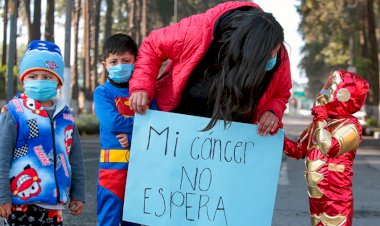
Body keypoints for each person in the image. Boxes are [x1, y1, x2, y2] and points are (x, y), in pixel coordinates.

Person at [129, 1, 292, 135]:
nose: (273, 58)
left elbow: (281, 93)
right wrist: (142, 86)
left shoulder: (277, 52)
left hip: (231, 139)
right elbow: (153, 45)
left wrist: (271, 111)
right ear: (247, 51)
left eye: (276, 52)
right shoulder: (198, 31)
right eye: (268, 55)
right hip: (178, 126)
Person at [0, 40, 85, 225]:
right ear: (23, 79)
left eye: (47, 77)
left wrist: (78, 194)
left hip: (54, 208)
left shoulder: (66, 116)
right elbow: (2, 156)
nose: (39, 81)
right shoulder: (14, 112)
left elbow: (75, 157)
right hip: (19, 205)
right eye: (33, 76)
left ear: (58, 82)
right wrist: (2, 196)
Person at [283, 70, 369, 226]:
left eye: (330, 89)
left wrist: (321, 118)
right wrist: (276, 137)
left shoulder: (352, 126)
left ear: (344, 95)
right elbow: (298, 150)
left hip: (337, 200)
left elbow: (329, 147)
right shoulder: (321, 122)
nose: (324, 94)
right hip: (316, 198)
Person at [94, 33, 156, 226]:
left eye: (126, 60)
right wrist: (139, 126)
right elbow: (112, 122)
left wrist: (131, 134)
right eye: (113, 61)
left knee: (136, 220)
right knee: (109, 220)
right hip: (112, 172)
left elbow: (156, 124)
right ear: (105, 64)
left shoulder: (147, 93)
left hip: (141, 170)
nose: (119, 65)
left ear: (136, 62)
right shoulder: (103, 92)